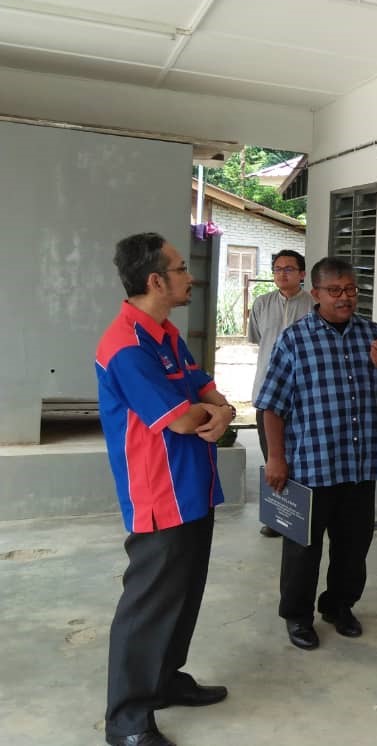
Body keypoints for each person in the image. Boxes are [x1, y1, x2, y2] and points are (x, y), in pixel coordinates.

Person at [95, 233, 234, 746]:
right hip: (160, 494)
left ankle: (166, 679)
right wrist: (216, 414)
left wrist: (218, 409)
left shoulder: (164, 333)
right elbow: (178, 421)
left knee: (184, 593)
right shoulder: (127, 346)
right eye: (179, 268)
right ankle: (127, 719)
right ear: (155, 280)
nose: (188, 275)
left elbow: (201, 385)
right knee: (149, 605)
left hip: (193, 485)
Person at [255, 256, 377, 650]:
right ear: (316, 294)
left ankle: (339, 606)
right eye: (335, 291)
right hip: (311, 464)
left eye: (351, 290)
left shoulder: (371, 333)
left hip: (359, 465)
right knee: (303, 550)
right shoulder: (295, 339)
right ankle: (297, 616)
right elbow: (271, 405)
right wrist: (276, 458)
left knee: (353, 548)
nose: (345, 298)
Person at [247, 249, 314, 538]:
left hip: (305, 395)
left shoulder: (314, 305)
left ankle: (306, 516)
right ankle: (277, 517)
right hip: (268, 392)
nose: (281, 274)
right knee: (272, 456)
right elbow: (257, 340)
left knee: (302, 456)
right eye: (277, 269)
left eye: (289, 269)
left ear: (302, 274)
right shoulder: (261, 304)